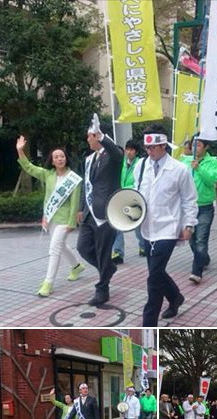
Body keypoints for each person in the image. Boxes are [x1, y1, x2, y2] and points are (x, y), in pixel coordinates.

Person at [133, 123, 198, 326]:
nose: (149, 151)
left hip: (169, 228)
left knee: (153, 278)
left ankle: (149, 323)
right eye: (147, 147)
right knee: (157, 272)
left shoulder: (179, 170)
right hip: (146, 228)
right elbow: (135, 193)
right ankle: (175, 297)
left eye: (153, 147)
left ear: (163, 145)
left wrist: (189, 225)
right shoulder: (140, 166)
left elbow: (189, 199)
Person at [16, 135, 84, 297]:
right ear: (52, 161)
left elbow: (75, 202)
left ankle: (48, 282)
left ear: (66, 159)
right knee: (61, 245)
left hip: (64, 219)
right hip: (51, 217)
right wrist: (20, 151)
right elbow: (29, 168)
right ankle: (76, 267)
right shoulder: (49, 175)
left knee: (54, 248)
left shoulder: (73, 179)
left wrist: (72, 223)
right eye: (56, 157)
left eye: (62, 156)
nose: (60, 159)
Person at [77, 118, 124, 306]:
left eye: (90, 135)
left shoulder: (113, 155)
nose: (87, 139)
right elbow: (86, 185)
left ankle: (102, 289)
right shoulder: (90, 159)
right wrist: (81, 207)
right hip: (89, 212)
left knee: (103, 252)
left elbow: (117, 154)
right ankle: (108, 269)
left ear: (98, 136)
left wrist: (103, 137)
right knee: (83, 247)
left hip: (106, 213)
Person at [181, 135, 217, 284]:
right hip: (188, 206)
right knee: (192, 239)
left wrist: (199, 168)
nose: (194, 148)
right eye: (193, 145)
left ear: (206, 147)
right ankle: (203, 258)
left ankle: (196, 272)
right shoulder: (184, 161)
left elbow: (212, 180)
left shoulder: (213, 162)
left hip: (205, 206)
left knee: (201, 239)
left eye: (198, 145)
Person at [111, 139, 145, 263]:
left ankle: (143, 245)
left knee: (137, 223)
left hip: (134, 197)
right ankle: (118, 252)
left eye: (132, 150)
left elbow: (140, 182)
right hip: (120, 197)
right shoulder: (121, 163)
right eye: (127, 149)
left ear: (136, 152)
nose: (129, 152)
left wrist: (128, 189)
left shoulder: (141, 164)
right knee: (117, 223)